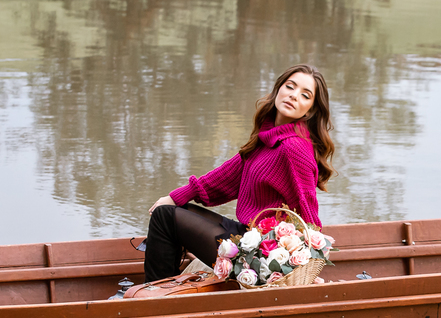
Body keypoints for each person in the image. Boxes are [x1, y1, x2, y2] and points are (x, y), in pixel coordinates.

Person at [143, 64, 335, 282]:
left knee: (163, 217)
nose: (293, 95)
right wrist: (175, 196)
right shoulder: (268, 137)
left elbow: (307, 214)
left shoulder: (293, 149)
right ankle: (164, 289)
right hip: (247, 235)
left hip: (260, 255)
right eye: (290, 87)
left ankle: (154, 297)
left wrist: (307, 269)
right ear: (278, 89)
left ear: (309, 110)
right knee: (172, 210)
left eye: (305, 95)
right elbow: (225, 177)